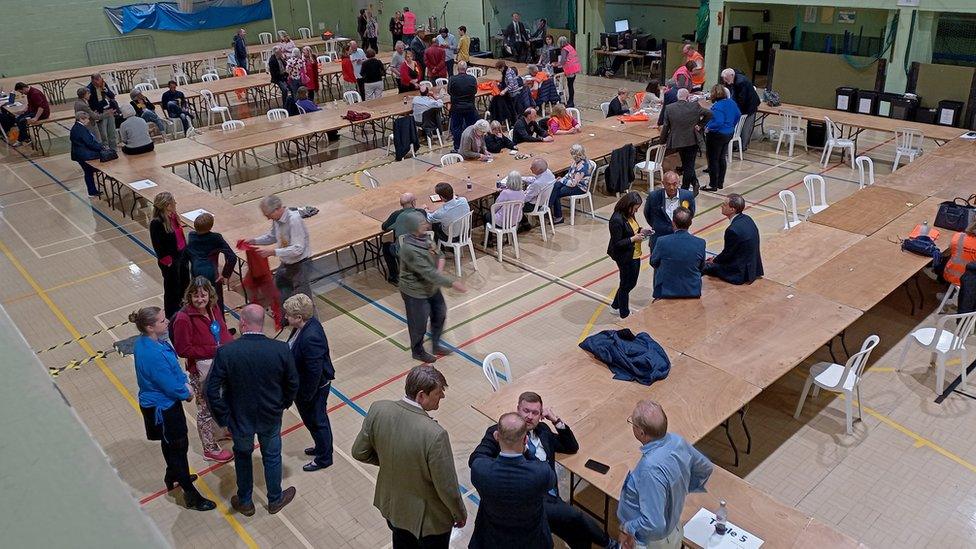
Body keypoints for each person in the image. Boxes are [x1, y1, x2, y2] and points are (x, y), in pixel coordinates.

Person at [469, 391, 613, 549]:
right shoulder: (504, 432)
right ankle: (608, 543)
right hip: (525, 498)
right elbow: (475, 458)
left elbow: (571, 447)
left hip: (550, 495)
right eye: (525, 411)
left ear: (541, 415)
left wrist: (556, 420)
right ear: (518, 409)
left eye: (535, 412)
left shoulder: (543, 430)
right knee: (575, 516)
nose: (530, 416)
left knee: (577, 532)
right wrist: (519, 449)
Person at [352, 365, 467, 548]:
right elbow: (446, 486)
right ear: (421, 395)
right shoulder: (435, 434)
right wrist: (459, 514)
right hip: (428, 522)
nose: (442, 396)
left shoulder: (378, 409)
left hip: (393, 508)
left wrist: (393, 462)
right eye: (439, 392)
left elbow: (359, 452)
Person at [207, 304, 299, 516]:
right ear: (263, 323)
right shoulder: (280, 349)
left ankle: (246, 501)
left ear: (242, 323)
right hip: (270, 415)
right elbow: (293, 383)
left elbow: (212, 390)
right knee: (272, 456)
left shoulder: (226, 352)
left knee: (242, 456)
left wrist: (224, 417)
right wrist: (283, 403)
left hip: (239, 419)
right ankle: (275, 499)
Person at [130, 306, 216, 512]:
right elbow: (167, 382)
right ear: (150, 327)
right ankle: (190, 494)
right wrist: (186, 392)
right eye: (162, 321)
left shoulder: (145, 342)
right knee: (178, 447)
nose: (167, 321)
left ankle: (173, 474)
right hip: (163, 408)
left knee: (171, 444)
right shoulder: (153, 354)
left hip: (159, 404)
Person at [618, 400, 713, 549]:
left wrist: (627, 528)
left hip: (650, 542)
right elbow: (705, 468)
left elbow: (654, 525)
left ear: (641, 432)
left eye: (633, 423)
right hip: (674, 530)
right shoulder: (677, 441)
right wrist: (679, 488)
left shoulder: (649, 470)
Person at [469, 412, 556, 549]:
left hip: (491, 541)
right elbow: (550, 480)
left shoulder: (480, 469)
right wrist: (527, 452)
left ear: (496, 436)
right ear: (526, 440)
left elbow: (478, 455)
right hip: (531, 542)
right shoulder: (541, 473)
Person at [171, 277, 234, 463]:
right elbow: (182, 349)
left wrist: (231, 350)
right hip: (201, 370)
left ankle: (222, 431)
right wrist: (214, 350)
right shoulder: (183, 318)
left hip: (221, 364)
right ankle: (209, 448)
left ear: (210, 295)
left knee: (224, 399)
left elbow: (222, 331)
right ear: (189, 296)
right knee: (205, 409)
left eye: (203, 295)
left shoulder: (213, 308)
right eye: (196, 295)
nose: (200, 299)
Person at [397, 211, 467, 362]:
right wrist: (452, 283)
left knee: (440, 314)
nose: (426, 225)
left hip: (432, 287)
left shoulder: (426, 239)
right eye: (421, 223)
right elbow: (427, 272)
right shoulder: (408, 249)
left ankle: (436, 344)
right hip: (415, 292)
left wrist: (439, 268)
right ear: (413, 226)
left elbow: (439, 254)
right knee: (418, 324)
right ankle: (417, 351)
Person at [283, 293, 335, 472]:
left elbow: (314, 371)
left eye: (288, 315)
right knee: (313, 421)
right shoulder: (303, 326)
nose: (285, 317)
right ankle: (321, 447)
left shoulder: (310, 336)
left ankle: (324, 458)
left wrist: (305, 395)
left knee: (317, 421)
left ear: (298, 317)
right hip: (305, 385)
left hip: (313, 388)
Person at [248, 194, 313, 307]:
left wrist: (273, 252)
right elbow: (272, 236)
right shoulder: (276, 219)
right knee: (279, 290)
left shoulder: (294, 220)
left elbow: (298, 249)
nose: (268, 218)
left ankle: (309, 322)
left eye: (268, 215)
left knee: (303, 301)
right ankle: (284, 318)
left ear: (278, 209)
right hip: (286, 264)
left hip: (301, 265)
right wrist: (255, 241)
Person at [703, 193, 764, 285]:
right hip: (753, 267)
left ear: (732, 209)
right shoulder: (748, 219)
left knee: (706, 266)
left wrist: (714, 260)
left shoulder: (732, 230)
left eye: (724, 204)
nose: (721, 206)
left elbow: (727, 254)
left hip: (740, 272)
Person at [660, 88, 711, 194]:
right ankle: (693, 183)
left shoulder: (669, 108)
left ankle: (685, 188)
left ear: (677, 97)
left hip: (678, 140)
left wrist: (662, 141)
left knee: (687, 164)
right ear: (688, 97)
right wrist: (700, 125)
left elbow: (666, 127)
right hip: (692, 139)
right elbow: (709, 114)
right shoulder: (694, 106)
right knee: (689, 164)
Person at [608, 192, 651, 319]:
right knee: (626, 285)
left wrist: (641, 231)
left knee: (629, 283)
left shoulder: (629, 215)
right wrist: (633, 239)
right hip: (625, 256)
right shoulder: (616, 220)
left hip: (635, 254)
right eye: (635, 208)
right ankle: (624, 314)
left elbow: (631, 230)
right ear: (628, 205)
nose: (636, 211)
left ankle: (615, 306)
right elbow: (617, 243)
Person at [185, 212, 236, 313]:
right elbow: (232, 257)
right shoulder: (216, 238)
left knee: (198, 300)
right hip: (211, 273)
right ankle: (219, 326)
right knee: (216, 304)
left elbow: (187, 255)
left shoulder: (191, 236)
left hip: (196, 272)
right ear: (211, 226)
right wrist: (225, 274)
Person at [650, 207, 705, 300]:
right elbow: (701, 267)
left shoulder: (662, 241)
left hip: (666, 291)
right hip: (691, 290)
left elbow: (653, 262)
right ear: (690, 223)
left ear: (673, 222)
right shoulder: (700, 243)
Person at [149, 192, 189, 320]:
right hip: (171, 260)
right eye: (173, 202)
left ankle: (184, 311)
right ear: (167, 205)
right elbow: (158, 245)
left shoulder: (173, 216)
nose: (175, 204)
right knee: (173, 289)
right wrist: (168, 261)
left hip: (182, 255)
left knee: (184, 284)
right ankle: (172, 316)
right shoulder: (157, 223)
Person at [380, 193, 426, 284]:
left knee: (386, 247)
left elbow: (385, 227)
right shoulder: (422, 212)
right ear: (413, 202)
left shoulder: (396, 215)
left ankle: (394, 277)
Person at [702, 84, 741, 192]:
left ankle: (712, 184)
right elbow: (738, 114)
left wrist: (708, 127)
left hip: (717, 135)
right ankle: (720, 183)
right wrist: (731, 125)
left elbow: (718, 121)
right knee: (721, 158)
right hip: (729, 133)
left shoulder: (718, 106)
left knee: (713, 159)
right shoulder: (731, 102)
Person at [644, 171, 695, 251]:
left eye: (674, 184)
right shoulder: (653, 196)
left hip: (679, 240)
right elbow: (647, 214)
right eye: (668, 184)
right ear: (663, 183)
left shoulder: (688, 196)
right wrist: (659, 226)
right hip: (659, 239)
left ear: (679, 183)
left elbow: (690, 214)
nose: (671, 187)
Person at [549, 143, 592, 224]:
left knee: (556, 193)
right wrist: (562, 179)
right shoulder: (576, 162)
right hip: (572, 182)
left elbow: (573, 184)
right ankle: (549, 206)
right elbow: (569, 174)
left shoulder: (582, 167)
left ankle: (557, 215)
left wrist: (562, 181)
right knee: (555, 185)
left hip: (580, 187)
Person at [722, 68, 760, 150]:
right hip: (744, 105)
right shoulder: (734, 79)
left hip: (750, 106)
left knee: (746, 127)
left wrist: (734, 110)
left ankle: (742, 147)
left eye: (726, 78)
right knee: (740, 126)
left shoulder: (741, 82)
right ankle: (736, 145)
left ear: (732, 75)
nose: (725, 80)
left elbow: (741, 99)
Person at [5, 82, 50, 148]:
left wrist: (36, 118)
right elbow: (30, 105)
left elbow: (41, 107)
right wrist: (23, 111)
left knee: (22, 121)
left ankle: (24, 139)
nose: (22, 93)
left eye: (21, 92)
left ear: (23, 88)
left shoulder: (35, 93)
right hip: (34, 111)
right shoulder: (29, 93)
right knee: (17, 119)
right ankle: (24, 137)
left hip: (42, 113)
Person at [69, 112, 103, 197]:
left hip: (79, 154)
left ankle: (92, 191)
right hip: (85, 155)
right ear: (81, 119)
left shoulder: (76, 127)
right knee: (90, 171)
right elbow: (90, 143)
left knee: (88, 172)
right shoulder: (80, 129)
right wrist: (101, 147)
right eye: (87, 118)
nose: (88, 120)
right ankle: (92, 191)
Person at [448, 61, 479, 151]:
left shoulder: (452, 79)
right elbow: (475, 91)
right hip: (470, 107)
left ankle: (457, 147)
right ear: (466, 69)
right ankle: (471, 146)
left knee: (457, 128)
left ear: (457, 69)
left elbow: (449, 91)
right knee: (471, 127)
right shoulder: (472, 79)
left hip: (457, 107)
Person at [941, 219, 976, 287]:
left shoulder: (959, 236)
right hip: (970, 283)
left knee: (948, 255)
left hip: (951, 275)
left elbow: (946, 253)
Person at [555, 36, 581, 107]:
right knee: (571, 85)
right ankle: (570, 100)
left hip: (570, 69)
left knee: (570, 86)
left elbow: (563, 61)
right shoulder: (570, 47)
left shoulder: (564, 49)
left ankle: (571, 101)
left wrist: (556, 64)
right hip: (575, 68)